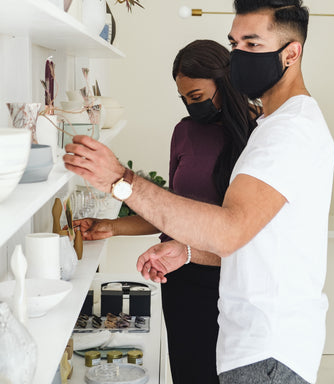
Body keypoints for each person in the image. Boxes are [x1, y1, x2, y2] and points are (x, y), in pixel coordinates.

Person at [63, 0, 334, 384]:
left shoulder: (289, 133)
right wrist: (187, 254)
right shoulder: (273, 126)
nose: (239, 54)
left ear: (291, 54)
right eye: (235, 43)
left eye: (253, 44)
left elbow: (228, 232)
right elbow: (252, 240)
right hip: (253, 344)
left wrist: (120, 181)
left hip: (267, 351)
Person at [72, 39, 257, 384]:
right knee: (190, 373)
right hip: (181, 278)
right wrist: (112, 227)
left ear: (226, 81)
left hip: (233, 280)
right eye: (184, 99)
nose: (191, 106)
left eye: (197, 97)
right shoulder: (184, 133)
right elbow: (168, 210)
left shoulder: (260, 136)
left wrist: (188, 250)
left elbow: (252, 233)